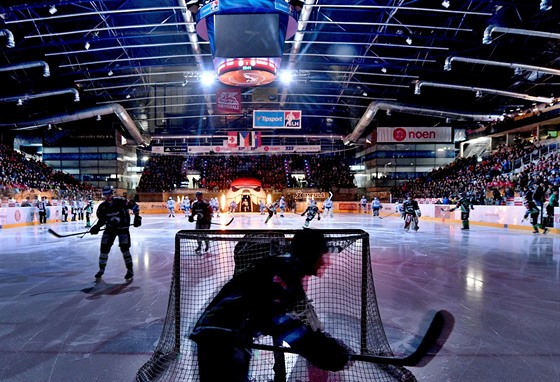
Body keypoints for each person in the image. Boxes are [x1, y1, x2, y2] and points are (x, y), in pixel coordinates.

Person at [190, 230, 352, 382]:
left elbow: (280, 318)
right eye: (322, 255)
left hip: (229, 337)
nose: (326, 262)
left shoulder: (287, 268)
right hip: (220, 338)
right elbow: (274, 320)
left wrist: (318, 344)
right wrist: (321, 351)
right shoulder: (282, 271)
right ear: (310, 255)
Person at [90, 186, 142, 281]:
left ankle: (130, 270)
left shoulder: (121, 200)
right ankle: (101, 269)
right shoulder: (102, 207)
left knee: (125, 249)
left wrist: (137, 217)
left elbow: (135, 206)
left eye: (109, 194)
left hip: (123, 229)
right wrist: (97, 227)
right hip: (110, 229)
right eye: (105, 195)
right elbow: (102, 220)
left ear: (112, 193)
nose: (107, 196)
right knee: (104, 249)